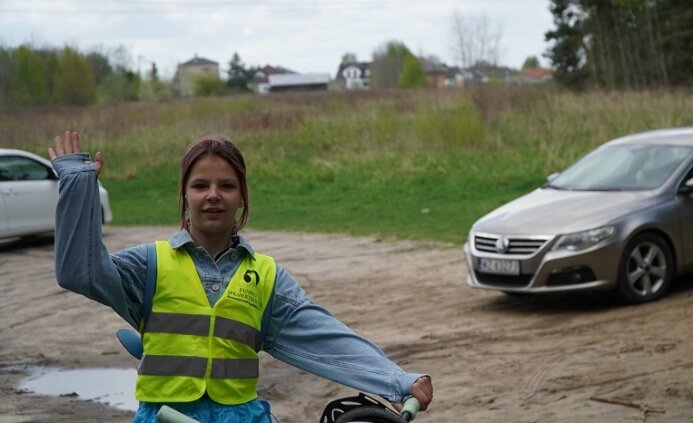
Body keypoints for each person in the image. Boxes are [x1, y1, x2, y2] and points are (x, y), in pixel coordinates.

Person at [48, 131, 433, 423]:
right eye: (200, 185)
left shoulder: (265, 276)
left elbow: (325, 337)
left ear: (242, 197)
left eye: (226, 186)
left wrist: (397, 380)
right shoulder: (151, 264)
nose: (213, 195)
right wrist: (79, 185)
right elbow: (80, 272)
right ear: (184, 195)